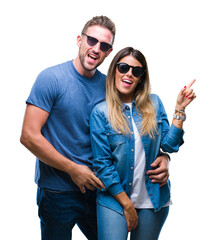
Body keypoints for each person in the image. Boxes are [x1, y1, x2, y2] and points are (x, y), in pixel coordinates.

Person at [20, 16, 170, 240]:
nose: (96, 49)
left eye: (104, 45)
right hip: (58, 190)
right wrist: (73, 169)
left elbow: (140, 132)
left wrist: (164, 155)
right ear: (80, 40)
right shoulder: (51, 79)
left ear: (109, 52)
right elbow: (29, 136)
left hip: (101, 189)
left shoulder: (110, 87)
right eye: (91, 41)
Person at [90, 47, 196, 240]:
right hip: (114, 197)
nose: (129, 74)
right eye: (123, 68)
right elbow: (102, 165)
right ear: (114, 70)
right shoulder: (101, 112)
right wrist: (127, 205)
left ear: (141, 78)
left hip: (152, 198)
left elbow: (170, 145)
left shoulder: (154, 103)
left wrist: (179, 109)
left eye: (136, 71)